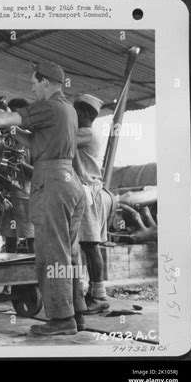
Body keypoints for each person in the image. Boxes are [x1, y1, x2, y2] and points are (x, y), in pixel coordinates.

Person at [0, 60, 86, 335]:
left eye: (34, 84)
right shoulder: (68, 109)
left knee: (51, 254)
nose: (33, 89)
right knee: (68, 253)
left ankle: (61, 320)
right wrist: (16, 133)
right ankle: (75, 311)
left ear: (46, 82)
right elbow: (40, 142)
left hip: (51, 181)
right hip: (69, 179)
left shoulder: (48, 106)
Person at [72, 94, 111, 314]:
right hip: (89, 191)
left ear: (86, 114)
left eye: (76, 112)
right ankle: (93, 293)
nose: (73, 116)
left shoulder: (85, 133)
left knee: (90, 244)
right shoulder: (86, 132)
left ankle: (99, 296)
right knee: (88, 245)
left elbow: (61, 140)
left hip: (89, 192)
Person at [0, 98, 34, 254]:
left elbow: (37, 172)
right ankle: (11, 274)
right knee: (9, 239)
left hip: (25, 198)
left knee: (32, 237)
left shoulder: (31, 140)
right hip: (5, 197)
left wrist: (18, 162)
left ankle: (35, 271)